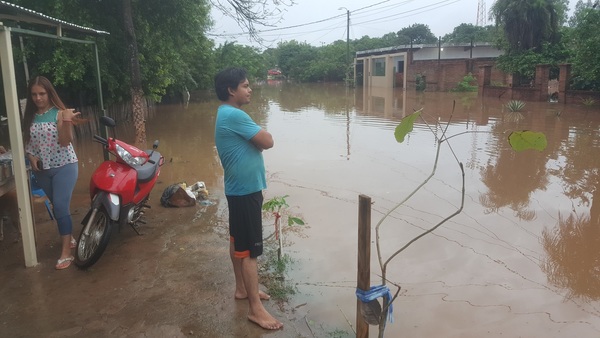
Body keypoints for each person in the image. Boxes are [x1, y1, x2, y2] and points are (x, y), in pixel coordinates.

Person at [213, 67, 283, 330]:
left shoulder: (225, 113)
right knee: (250, 252)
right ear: (232, 90)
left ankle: (242, 289)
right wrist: (259, 138)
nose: (250, 89)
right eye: (245, 85)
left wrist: (256, 140)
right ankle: (256, 310)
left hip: (238, 189)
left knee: (237, 241)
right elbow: (268, 141)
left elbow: (257, 142)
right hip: (245, 192)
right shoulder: (234, 114)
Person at [23, 76, 80, 270]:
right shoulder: (29, 117)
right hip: (42, 170)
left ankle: (66, 253)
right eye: (34, 94)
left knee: (61, 207)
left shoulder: (60, 113)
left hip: (65, 166)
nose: (38, 98)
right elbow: (28, 143)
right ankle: (69, 237)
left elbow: (65, 142)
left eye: (42, 94)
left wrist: (65, 121)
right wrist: (30, 157)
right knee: (57, 207)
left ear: (49, 93)